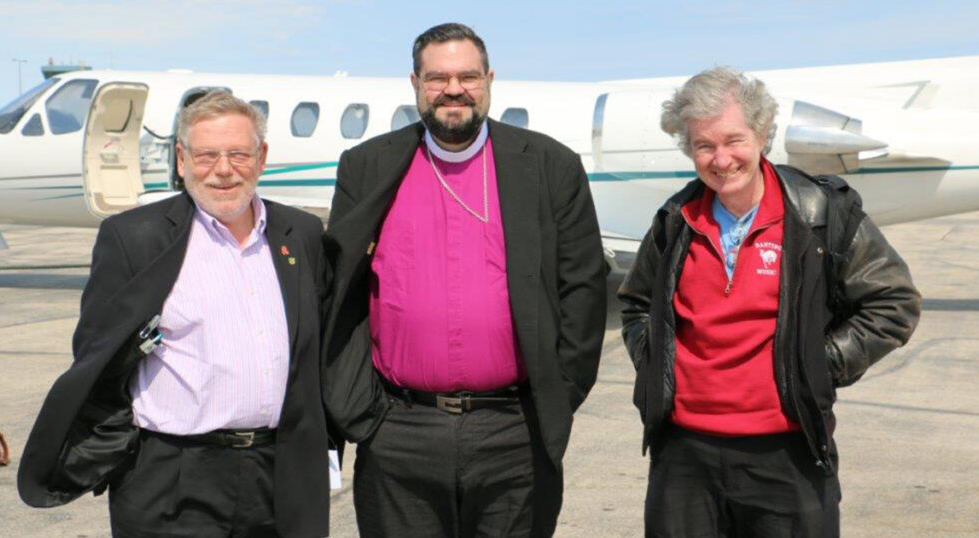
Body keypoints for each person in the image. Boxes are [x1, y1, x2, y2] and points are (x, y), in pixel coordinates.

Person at [323, 22, 606, 538]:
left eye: (467, 76)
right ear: (415, 83)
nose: (453, 89)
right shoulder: (368, 166)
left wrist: (556, 396)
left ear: (490, 79)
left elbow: (583, 290)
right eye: (437, 78)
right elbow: (339, 290)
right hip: (400, 430)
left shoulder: (549, 167)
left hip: (514, 433)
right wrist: (362, 413)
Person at [618, 67, 922, 537]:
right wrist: (660, 362)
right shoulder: (674, 221)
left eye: (734, 140)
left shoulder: (820, 214)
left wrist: (815, 366)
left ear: (762, 134)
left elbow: (893, 302)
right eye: (704, 146)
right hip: (683, 458)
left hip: (788, 453)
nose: (721, 159)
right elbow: (636, 305)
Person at [18, 91, 333, 538]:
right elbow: (97, 360)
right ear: (182, 160)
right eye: (206, 155)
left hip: (280, 473)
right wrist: (128, 450)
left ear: (261, 158)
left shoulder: (299, 234)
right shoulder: (133, 238)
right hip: (171, 478)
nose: (223, 169)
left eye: (238, 154)